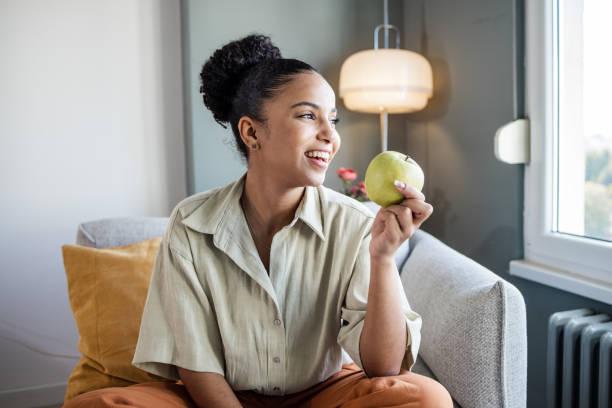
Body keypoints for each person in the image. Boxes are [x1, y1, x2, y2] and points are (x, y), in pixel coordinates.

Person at [63, 34, 451, 408]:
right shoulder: (192, 222)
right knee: (99, 404)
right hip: (218, 395)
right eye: (307, 115)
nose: (329, 136)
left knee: (425, 398)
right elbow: (195, 361)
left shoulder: (353, 222)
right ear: (251, 132)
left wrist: (383, 257)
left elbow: (382, 368)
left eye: (333, 120)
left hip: (324, 391)